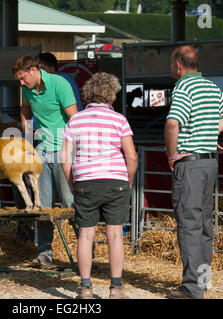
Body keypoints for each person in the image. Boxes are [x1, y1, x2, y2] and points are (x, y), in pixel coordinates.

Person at [164, 45, 223, 299]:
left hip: (190, 165)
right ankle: (203, 280)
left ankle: (192, 288)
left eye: (171, 64)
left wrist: (172, 155)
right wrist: (209, 132)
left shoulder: (184, 87)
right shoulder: (209, 86)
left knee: (189, 223)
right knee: (205, 223)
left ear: (178, 65)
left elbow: (173, 122)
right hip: (209, 163)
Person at [61, 72, 138, 299]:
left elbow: (65, 158)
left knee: (85, 235)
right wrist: (129, 180)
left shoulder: (75, 120)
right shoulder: (119, 120)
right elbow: (131, 157)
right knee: (115, 234)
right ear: (112, 96)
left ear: (87, 95)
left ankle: (85, 287)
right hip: (116, 180)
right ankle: (116, 287)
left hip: (85, 181)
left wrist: (72, 182)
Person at [12, 56, 78, 266]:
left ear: (33, 70)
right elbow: (25, 108)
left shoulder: (60, 84)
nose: (21, 83)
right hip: (42, 150)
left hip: (63, 151)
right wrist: (27, 131)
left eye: (23, 78)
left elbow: (74, 119)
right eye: (19, 81)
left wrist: (73, 150)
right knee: (42, 205)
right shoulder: (27, 90)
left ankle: (86, 250)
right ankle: (44, 252)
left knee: (70, 203)